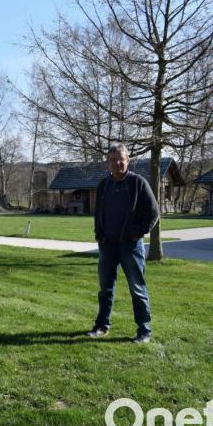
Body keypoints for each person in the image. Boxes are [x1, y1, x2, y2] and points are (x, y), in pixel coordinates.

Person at [88, 146, 159, 343]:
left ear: (128, 160)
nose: (117, 163)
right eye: (112, 160)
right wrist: (99, 233)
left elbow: (153, 213)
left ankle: (144, 331)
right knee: (105, 289)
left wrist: (136, 233)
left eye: (120, 159)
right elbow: (98, 213)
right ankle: (102, 326)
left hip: (131, 246)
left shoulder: (138, 183)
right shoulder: (104, 185)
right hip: (107, 246)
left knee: (137, 289)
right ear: (108, 163)